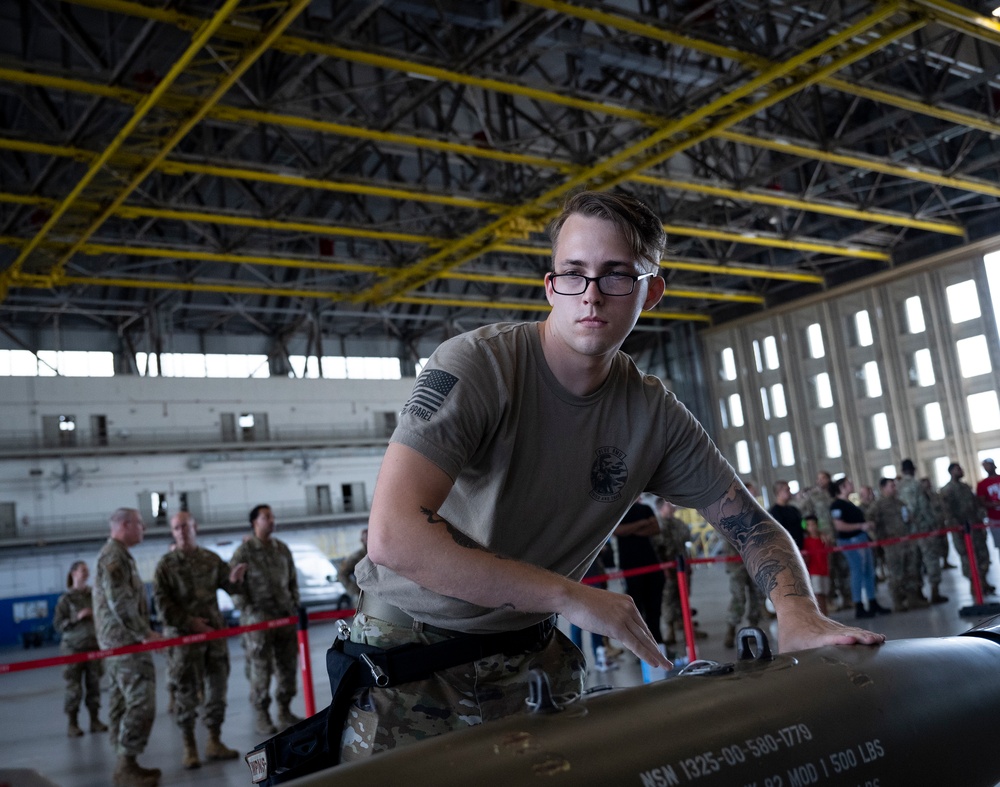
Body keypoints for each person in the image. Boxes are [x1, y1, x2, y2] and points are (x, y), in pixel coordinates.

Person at [342, 190, 884, 762]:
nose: (592, 295)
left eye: (616, 275)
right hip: (411, 661)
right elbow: (394, 534)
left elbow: (753, 525)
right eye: (574, 274)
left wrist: (797, 614)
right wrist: (570, 597)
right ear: (551, 286)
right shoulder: (479, 366)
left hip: (532, 661)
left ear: (650, 291)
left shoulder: (652, 414)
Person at [152, 512, 247, 768]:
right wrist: (190, 623)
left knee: (217, 690)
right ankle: (189, 747)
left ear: (195, 528)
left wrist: (236, 580)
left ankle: (214, 741)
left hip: (213, 637)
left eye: (185, 526)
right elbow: (162, 607)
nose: (181, 531)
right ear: (173, 533)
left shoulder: (210, 559)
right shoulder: (165, 565)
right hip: (184, 641)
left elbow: (231, 587)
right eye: (176, 528)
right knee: (186, 694)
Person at [93, 508, 165, 787]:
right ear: (124, 525)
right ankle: (125, 766)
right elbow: (119, 602)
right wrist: (145, 633)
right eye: (139, 523)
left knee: (121, 703)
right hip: (125, 642)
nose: (144, 527)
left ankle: (126, 764)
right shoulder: (114, 557)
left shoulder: (119, 555)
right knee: (141, 701)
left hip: (120, 641)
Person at [231, 504, 302, 736]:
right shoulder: (244, 552)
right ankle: (262, 715)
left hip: (284, 616)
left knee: (288, 666)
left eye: (272, 516)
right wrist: (248, 612)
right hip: (259, 620)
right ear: (255, 522)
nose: (272, 520)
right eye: (266, 517)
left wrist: (294, 605)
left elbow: (292, 581)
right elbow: (234, 587)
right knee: (261, 669)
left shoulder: (282, 549)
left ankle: (284, 710)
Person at [53, 560, 108, 738]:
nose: (86, 573)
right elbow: (58, 625)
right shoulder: (66, 599)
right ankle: (73, 724)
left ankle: (95, 720)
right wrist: (77, 617)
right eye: (83, 570)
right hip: (73, 649)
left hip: (93, 646)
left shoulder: (94, 595)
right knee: (74, 688)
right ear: (73, 573)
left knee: (94, 685)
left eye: (87, 570)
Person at [829, 477, 889, 618]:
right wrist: (861, 526)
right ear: (842, 487)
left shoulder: (849, 503)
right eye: (849, 483)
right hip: (850, 541)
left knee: (868, 570)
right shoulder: (837, 505)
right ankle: (859, 605)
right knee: (857, 571)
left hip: (861, 539)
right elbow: (839, 526)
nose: (852, 485)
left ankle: (872, 601)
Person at [870, 477, 927, 612]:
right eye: (891, 486)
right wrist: (879, 540)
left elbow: (908, 518)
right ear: (883, 488)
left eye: (895, 486)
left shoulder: (900, 502)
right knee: (896, 573)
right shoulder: (878, 505)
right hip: (892, 545)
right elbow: (871, 523)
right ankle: (898, 601)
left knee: (911, 571)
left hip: (906, 542)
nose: (895, 488)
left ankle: (912, 599)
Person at [615, 498, 667, 646]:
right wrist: (642, 524)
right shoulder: (618, 511)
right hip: (630, 568)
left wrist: (630, 530)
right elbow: (618, 531)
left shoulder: (645, 508)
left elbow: (655, 528)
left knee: (654, 607)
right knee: (636, 609)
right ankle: (641, 644)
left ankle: (658, 642)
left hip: (651, 565)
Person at [897, 459, 947, 604]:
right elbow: (924, 507)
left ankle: (917, 594)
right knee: (931, 560)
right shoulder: (917, 485)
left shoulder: (898, 487)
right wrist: (933, 525)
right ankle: (935, 592)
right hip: (923, 530)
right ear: (913, 469)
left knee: (914, 563)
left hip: (908, 532)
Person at [940, 462, 994, 595]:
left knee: (983, 555)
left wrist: (980, 518)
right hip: (963, 531)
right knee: (968, 558)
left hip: (975, 528)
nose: (961, 470)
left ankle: (983, 581)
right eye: (958, 469)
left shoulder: (965, 487)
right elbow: (947, 512)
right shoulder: (947, 490)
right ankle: (974, 585)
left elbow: (975, 504)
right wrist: (957, 528)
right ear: (952, 471)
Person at [799, 471, 850, 611]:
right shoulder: (813, 497)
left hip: (840, 536)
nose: (821, 481)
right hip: (823, 539)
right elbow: (806, 517)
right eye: (818, 478)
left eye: (823, 478)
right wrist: (816, 532)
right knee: (829, 569)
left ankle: (847, 598)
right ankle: (830, 601)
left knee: (844, 567)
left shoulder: (835, 493)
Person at [654, 498, 702, 647]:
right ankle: (670, 631)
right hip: (668, 567)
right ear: (661, 507)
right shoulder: (657, 525)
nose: (672, 506)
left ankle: (687, 628)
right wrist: (664, 568)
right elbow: (657, 549)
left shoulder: (679, 524)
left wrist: (688, 565)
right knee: (669, 598)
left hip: (682, 565)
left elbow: (685, 545)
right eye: (669, 504)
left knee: (684, 597)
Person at [801, 517, 829, 615]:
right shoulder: (806, 541)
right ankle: (821, 616)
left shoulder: (823, 539)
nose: (812, 527)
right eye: (809, 525)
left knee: (824, 594)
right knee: (817, 594)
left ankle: (826, 615)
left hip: (824, 570)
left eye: (813, 524)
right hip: (814, 571)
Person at [337, 527, 368, 607]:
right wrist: (354, 589)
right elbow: (342, 574)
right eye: (366, 537)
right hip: (362, 595)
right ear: (362, 540)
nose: (369, 540)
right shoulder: (356, 557)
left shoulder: (378, 554)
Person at [769, 480, 803, 550]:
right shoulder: (774, 512)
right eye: (787, 490)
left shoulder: (793, 509)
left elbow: (802, 525)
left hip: (800, 548)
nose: (790, 493)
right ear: (779, 492)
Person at [976, 458, 1000, 555]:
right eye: (984, 466)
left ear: (994, 465)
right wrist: (994, 504)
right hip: (994, 519)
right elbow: (981, 502)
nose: (986, 467)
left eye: (988, 465)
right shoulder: (982, 484)